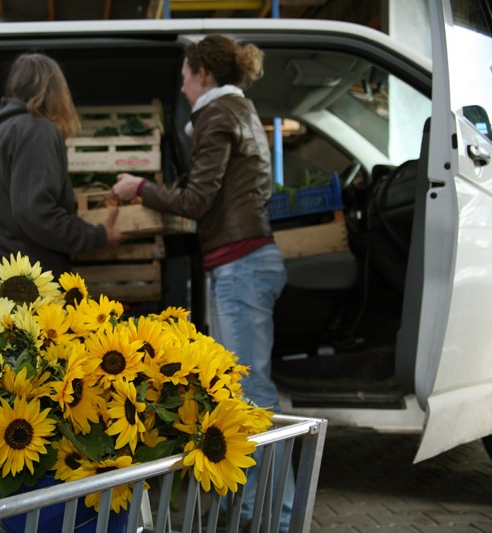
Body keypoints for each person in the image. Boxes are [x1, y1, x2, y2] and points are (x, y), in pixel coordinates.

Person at [111, 35, 293, 531]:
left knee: (253, 396)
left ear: (204, 75)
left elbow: (196, 200)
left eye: (187, 78)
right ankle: (256, 509)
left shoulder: (216, 115)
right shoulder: (241, 111)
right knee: (248, 392)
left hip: (241, 266)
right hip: (246, 261)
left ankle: (274, 516)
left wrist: (140, 187)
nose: (185, 89)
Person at [0, 53, 120, 305]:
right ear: (54, 91)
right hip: (12, 273)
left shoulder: (1, 131)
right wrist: (97, 236)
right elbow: (36, 211)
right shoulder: (37, 129)